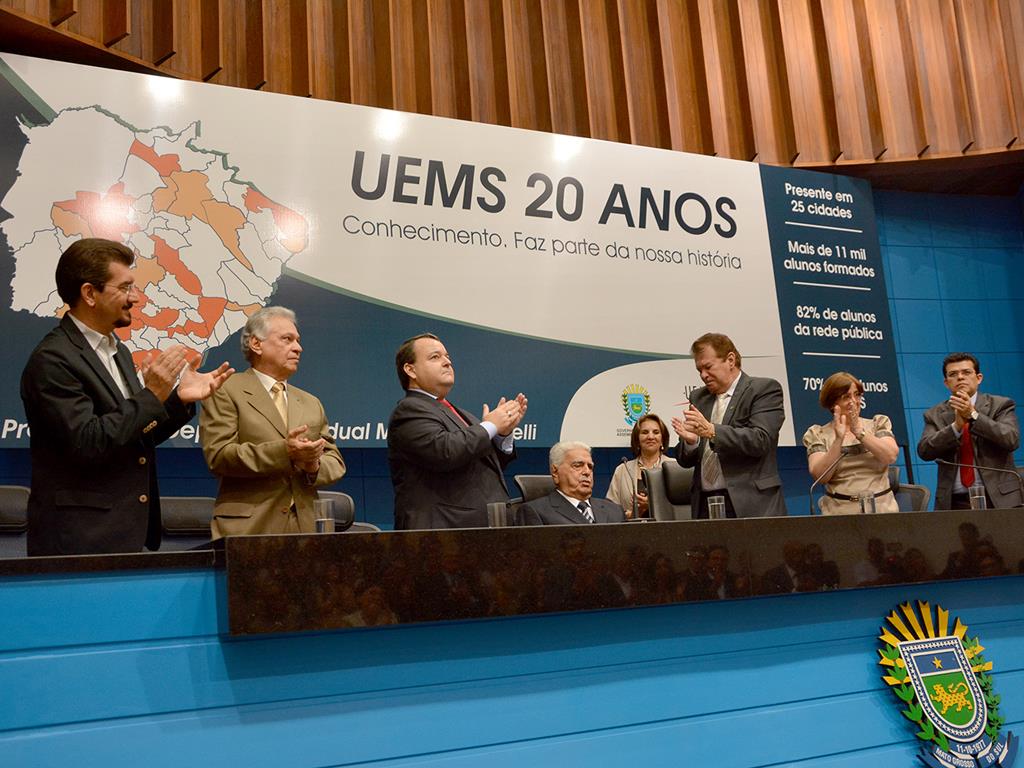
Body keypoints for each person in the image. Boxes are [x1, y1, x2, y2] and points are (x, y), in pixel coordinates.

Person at [20, 238, 233, 556]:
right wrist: (152, 394)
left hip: (127, 535)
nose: (136, 297)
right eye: (125, 287)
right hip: (80, 542)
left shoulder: (117, 350)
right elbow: (88, 443)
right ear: (90, 293)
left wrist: (177, 401)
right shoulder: (53, 359)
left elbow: (134, 435)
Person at [200, 306, 345, 537]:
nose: (298, 348)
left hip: (306, 529)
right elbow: (219, 456)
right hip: (248, 529)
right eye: (287, 339)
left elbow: (335, 461)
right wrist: (285, 452)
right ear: (257, 344)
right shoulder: (226, 390)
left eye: (298, 340)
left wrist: (312, 465)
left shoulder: (310, 402)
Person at [387, 333, 528, 529]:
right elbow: (445, 452)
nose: (447, 362)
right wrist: (491, 426)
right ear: (410, 370)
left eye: (447, 356)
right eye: (435, 357)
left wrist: (502, 434)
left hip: (483, 531)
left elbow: (481, 464)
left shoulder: (463, 414)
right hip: (443, 534)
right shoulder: (409, 410)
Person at [672, 332, 786, 518]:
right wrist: (692, 442)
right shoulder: (698, 397)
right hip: (704, 503)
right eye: (699, 370)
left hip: (751, 503)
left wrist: (712, 431)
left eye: (708, 367)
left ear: (730, 360)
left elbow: (761, 440)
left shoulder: (763, 390)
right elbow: (686, 460)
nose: (703, 375)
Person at [917, 352, 1021, 509]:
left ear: (979, 378)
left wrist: (973, 416)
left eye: (966, 372)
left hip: (998, 498)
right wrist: (956, 427)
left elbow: (1010, 439)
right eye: (953, 374)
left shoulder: (1000, 405)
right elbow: (925, 451)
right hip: (955, 501)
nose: (960, 377)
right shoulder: (934, 414)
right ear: (946, 382)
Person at [803, 372, 900, 514]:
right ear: (832, 403)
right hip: (840, 513)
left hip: (882, 510)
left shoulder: (877, 423)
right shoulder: (817, 433)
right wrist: (838, 440)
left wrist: (860, 433)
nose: (854, 401)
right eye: (846, 397)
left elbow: (890, 456)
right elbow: (821, 477)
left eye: (857, 394)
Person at [519, 441, 626, 526]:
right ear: (555, 472)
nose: (587, 472)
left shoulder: (615, 511)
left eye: (590, 467)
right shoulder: (535, 512)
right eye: (578, 465)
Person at [606, 413, 672, 519]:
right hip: (631, 532)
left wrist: (653, 505)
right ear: (637, 440)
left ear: (662, 440)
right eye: (645, 432)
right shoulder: (623, 470)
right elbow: (610, 512)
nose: (650, 436)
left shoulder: (674, 467)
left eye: (656, 432)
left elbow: (684, 508)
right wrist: (630, 515)